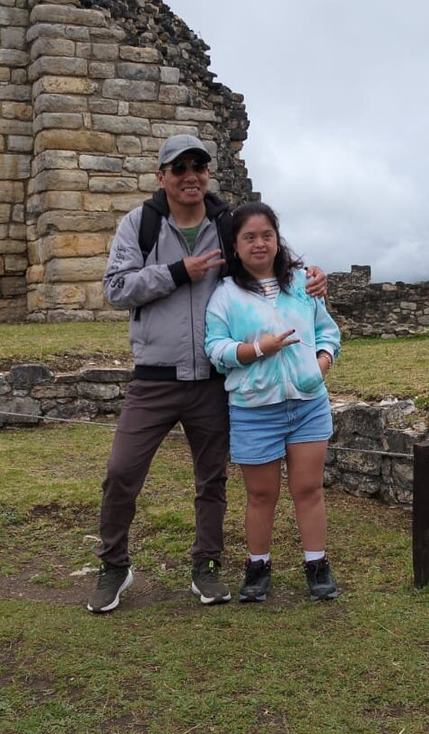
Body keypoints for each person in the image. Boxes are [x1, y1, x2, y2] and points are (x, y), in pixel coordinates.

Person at [87, 134, 327, 614]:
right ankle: (114, 565)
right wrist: (178, 271)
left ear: (208, 174)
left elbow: (270, 259)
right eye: (179, 168)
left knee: (211, 479)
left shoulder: (226, 222)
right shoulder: (141, 224)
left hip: (214, 382)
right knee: (121, 473)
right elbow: (115, 289)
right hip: (155, 376)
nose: (190, 175)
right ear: (162, 177)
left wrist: (313, 275)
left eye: (199, 166)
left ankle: (207, 565)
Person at [205, 202, 342, 603]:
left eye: (267, 235)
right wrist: (256, 349)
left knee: (308, 488)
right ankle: (258, 566)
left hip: (307, 403)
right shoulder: (224, 296)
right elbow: (215, 348)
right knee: (261, 495)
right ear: (235, 246)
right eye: (249, 237)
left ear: (277, 239)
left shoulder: (302, 284)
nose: (259, 244)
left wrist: (321, 364)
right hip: (253, 408)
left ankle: (317, 565)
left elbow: (327, 332)